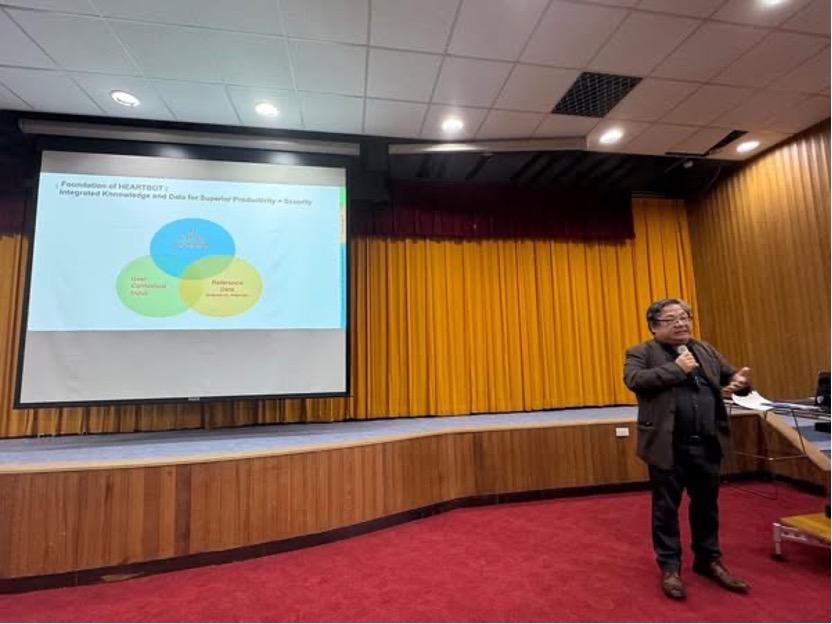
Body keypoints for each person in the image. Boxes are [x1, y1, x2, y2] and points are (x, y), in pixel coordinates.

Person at [623, 298, 752, 601]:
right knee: (666, 509)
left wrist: (740, 383)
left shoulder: (704, 349)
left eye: (685, 317)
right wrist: (676, 369)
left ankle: (709, 560)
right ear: (654, 326)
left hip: (707, 443)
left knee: (707, 506)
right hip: (668, 446)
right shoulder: (641, 353)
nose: (682, 323)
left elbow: (731, 377)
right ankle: (670, 567)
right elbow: (635, 380)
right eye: (672, 319)